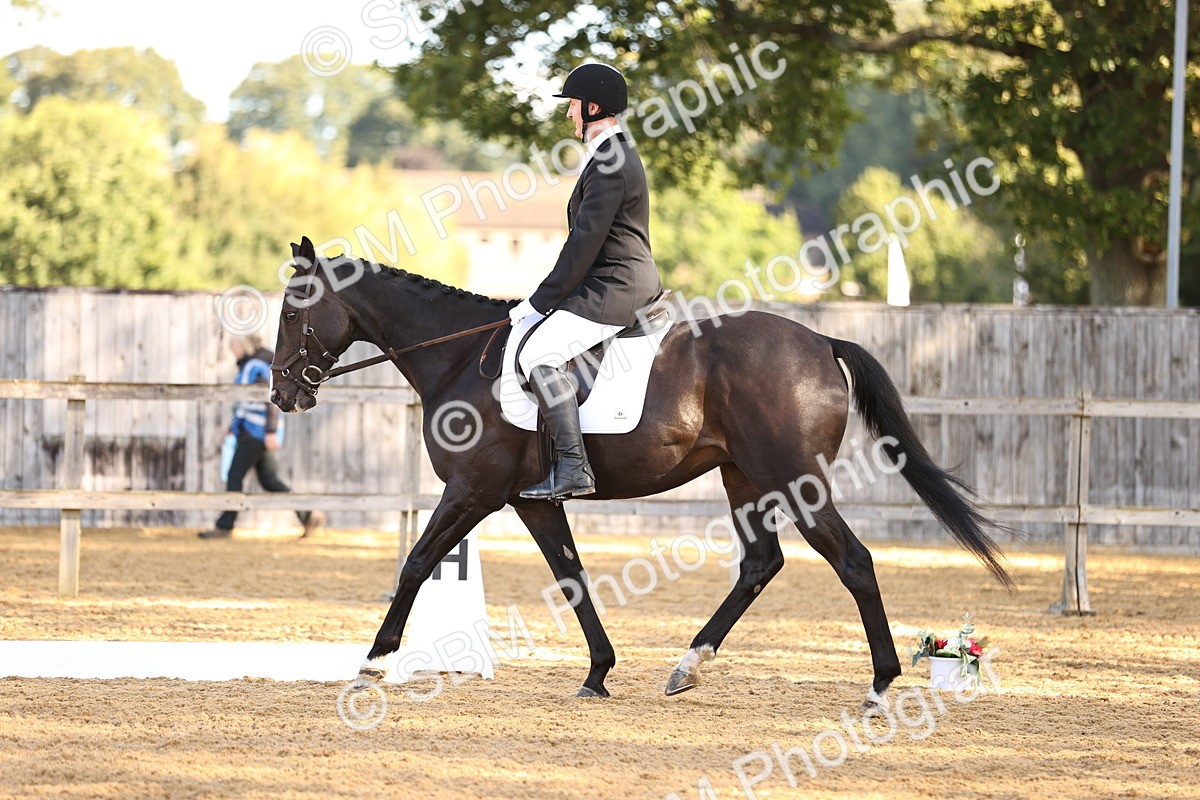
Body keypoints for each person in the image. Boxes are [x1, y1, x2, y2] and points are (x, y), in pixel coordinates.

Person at [508, 63, 663, 501]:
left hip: (617, 286)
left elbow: (584, 244)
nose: (569, 114)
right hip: (608, 282)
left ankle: (574, 468)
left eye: (573, 106)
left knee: (538, 351)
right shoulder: (607, 154)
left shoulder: (611, 158)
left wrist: (540, 302)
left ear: (593, 107)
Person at [198, 333, 326, 539]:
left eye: (234, 344)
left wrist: (270, 431)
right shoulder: (257, 364)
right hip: (256, 431)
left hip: (255, 432)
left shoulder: (254, 365)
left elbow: (270, 399)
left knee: (234, 476)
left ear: (244, 345)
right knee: (269, 480)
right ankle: (308, 515)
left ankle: (224, 526)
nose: (232, 349)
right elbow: (246, 402)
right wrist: (233, 427)